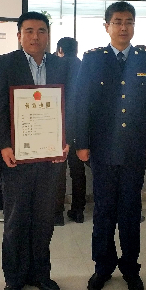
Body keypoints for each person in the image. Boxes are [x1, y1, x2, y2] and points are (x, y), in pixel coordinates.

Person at [74, 1, 146, 290]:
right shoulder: (93, 59)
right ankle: (102, 267)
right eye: (118, 22)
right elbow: (82, 102)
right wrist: (82, 142)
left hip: (134, 148)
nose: (124, 27)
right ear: (107, 26)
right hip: (102, 148)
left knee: (130, 210)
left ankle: (130, 268)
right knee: (103, 211)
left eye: (129, 22)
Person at [0, 11, 71, 290]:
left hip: (50, 158)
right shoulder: (4, 64)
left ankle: (41, 274)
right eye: (29, 31)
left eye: (41, 31)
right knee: (15, 220)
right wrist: (3, 145)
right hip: (16, 158)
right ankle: (14, 278)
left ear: (48, 34)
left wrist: (67, 141)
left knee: (44, 220)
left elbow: (71, 105)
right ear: (19, 35)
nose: (35, 36)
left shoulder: (61, 66)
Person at [54, 36, 86, 225]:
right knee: (78, 170)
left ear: (60, 49)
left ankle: (57, 214)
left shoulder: (56, 65)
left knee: (58, 170)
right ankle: (78, 211)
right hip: (80, 126)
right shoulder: (84, 66)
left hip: (59, 125)